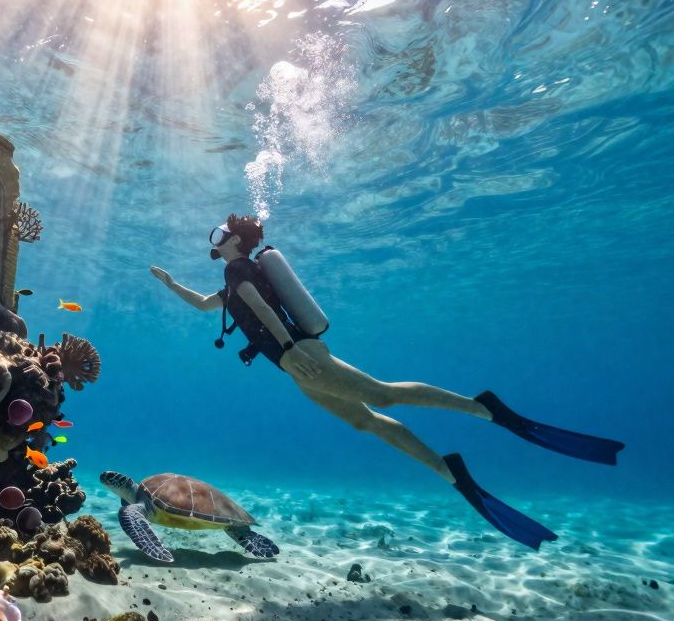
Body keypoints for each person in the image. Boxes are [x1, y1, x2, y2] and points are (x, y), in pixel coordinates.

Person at [149, 214, 625, 549]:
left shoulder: (238, 270)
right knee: (368, 421)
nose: (214, 240)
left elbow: (260, 305)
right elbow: (207, 305)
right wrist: (171, 284)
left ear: (234, 240)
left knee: (382, 394)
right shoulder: (231, 278)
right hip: (296, 366)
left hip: (301, 358)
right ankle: (449, 470)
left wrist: (292, 351)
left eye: (218, 233)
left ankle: (484, 408)